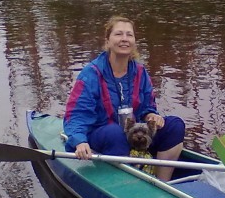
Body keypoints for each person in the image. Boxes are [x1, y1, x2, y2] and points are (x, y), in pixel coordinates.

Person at [63, 16, 185, 181]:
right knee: (115, 132)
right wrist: (79, 141)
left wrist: (151, 115)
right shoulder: (91, 74)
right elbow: (77, 114)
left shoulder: (140, 72)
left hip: (135, 133)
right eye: (119, 34)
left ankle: (163, 185)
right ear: (107, 41)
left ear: (134, 41)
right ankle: (126, 184)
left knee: (175, 125)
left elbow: (147, 107)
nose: (124, 39)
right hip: (104, 135)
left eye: (129, 35)